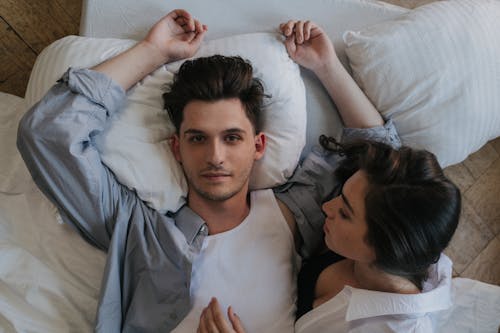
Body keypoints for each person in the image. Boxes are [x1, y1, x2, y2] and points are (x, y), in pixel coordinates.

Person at [16, 8, 411, 333]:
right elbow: (48, 133)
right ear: (177, 148)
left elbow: (383, 164)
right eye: (198, 138)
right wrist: (153, 52)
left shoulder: (296, 214)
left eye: (232, 138)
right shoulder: (138, 229)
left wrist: (327, 67)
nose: (215, 156)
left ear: (258, 146)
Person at [196, 20, 461, 333]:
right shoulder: (405, 227)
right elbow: (380, 143)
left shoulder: (383, 326)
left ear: (379, 248)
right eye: (342, 197)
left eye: (345, 212)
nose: (327, 207)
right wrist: (325, 65)